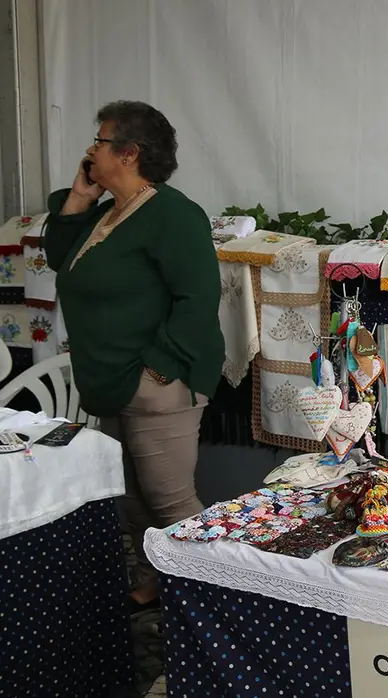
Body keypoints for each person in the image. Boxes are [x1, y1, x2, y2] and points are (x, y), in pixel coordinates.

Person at [44, 100, 223, 608]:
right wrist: (80, 195)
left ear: (128, 153)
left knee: (171, 503)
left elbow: (198, 298)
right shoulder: (107, 213)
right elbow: (60, 256)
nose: (89, 150)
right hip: (111, 382)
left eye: (98, 142)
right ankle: (157, 584)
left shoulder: (173, 214)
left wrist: (157, 370)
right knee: (133, 501)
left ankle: (223, 604)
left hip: (155, 384)